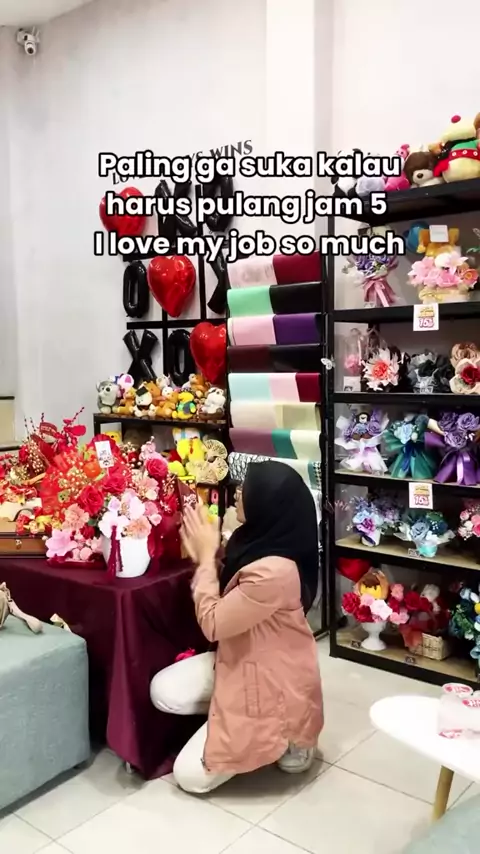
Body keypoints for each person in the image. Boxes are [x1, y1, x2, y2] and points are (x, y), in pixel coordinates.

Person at [150, 460, 324, 794]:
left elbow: (214, 624)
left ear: (268, 505)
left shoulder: (275, 572)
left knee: (188, 777)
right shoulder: (256, 539)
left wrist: (205, 559)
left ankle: (290, 733)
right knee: (163, 690)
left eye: (248, 488)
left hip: (269, 682)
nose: (239, 492)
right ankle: (234, 715)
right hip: (240, 658)